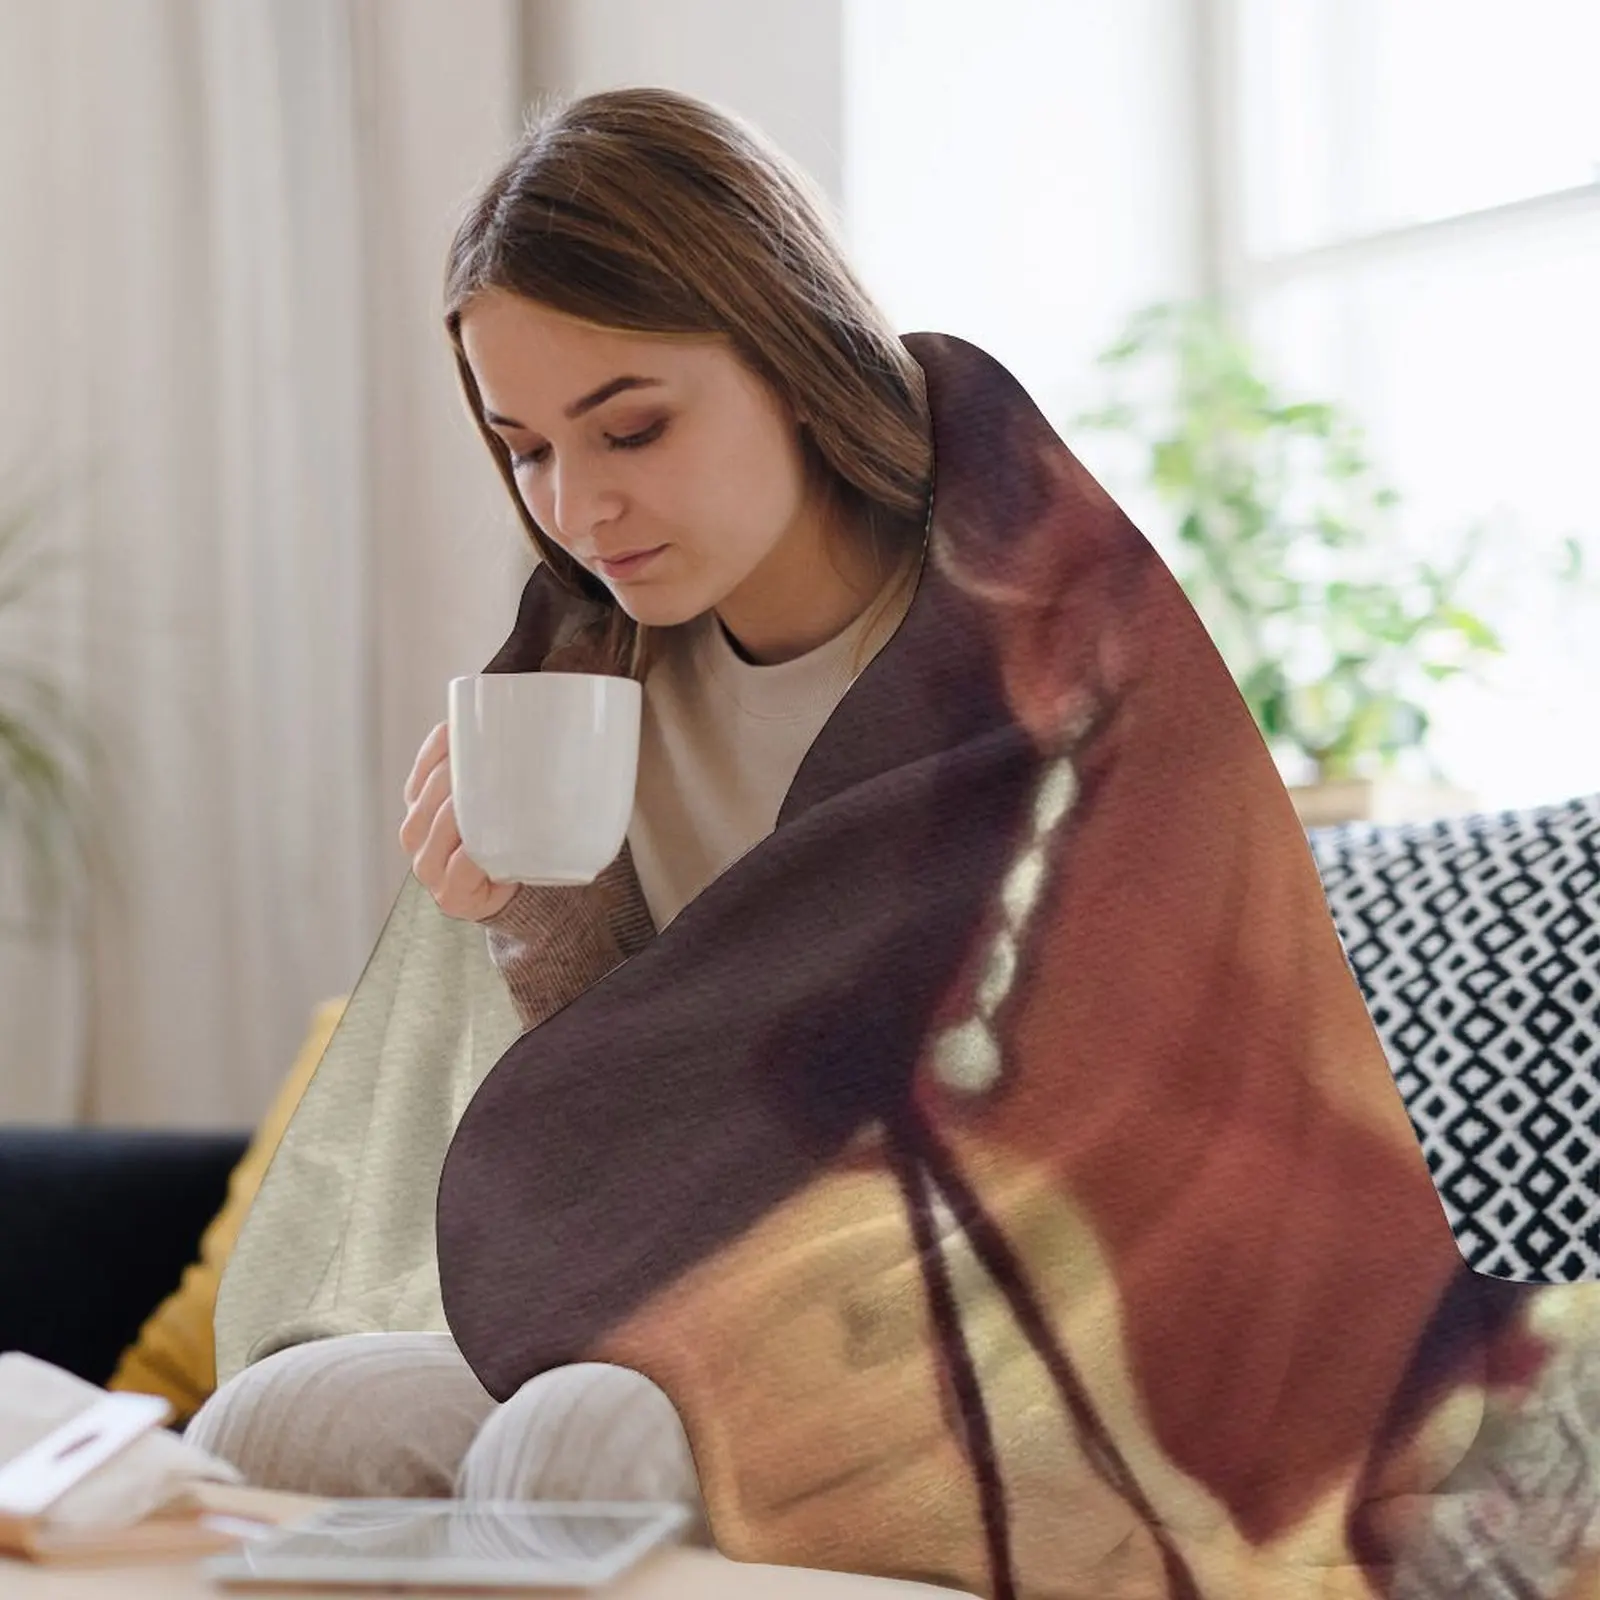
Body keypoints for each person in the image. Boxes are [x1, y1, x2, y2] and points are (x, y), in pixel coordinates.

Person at [185, 84, 931, 1524]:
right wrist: (528, 912)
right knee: (272, 1417)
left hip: (973, 1314)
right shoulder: (597, 666)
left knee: (579, 1448)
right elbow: (629, 1106)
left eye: (631, 428)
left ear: (789, 352)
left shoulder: (1009, 632)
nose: (577, 511)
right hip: (678, 1297)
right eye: (526, 449)